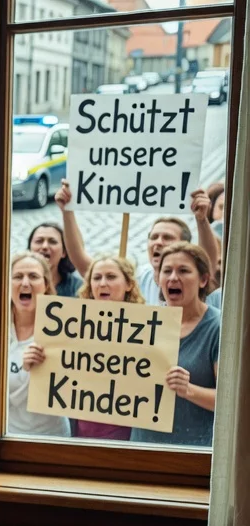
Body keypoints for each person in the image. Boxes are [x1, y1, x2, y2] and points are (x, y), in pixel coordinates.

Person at [56, 180, 220, 304]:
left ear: (184, 246)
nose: (158, 242)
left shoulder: (191, 279)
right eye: (153, 237)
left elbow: (207, 261)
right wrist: (67, 211)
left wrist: (202, 220)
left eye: (167, 237)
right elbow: (82, 261)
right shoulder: (139, 277)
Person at [129, 242, 220, 447]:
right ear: (158, 278)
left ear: (203, 280)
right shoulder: (141, 324)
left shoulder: (218, 328)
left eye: (183, 271)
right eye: (167, 271)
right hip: (141, 447)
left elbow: (229, 400)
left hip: (192, 452)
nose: (173, 278)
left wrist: (188, 390)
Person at [67, 255, 145, 441]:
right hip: (82, 430)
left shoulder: (146, 329)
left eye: (111, 277)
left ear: (129, 284)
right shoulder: (72, 326)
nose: (102, 283)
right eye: (96, 278)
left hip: (128, 433)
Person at [9, 252, 72, 438]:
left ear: (46, 285)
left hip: (52, 437)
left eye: (33, 276)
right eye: (18, 276)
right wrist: (26, 369)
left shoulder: (64, 330)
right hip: (7, 437)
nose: (25, 283)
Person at [27, 222, 83, 297]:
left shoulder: (77, 287)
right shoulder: (16, 282)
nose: (45, 246)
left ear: (64, 252)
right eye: (39, 241)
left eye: (52, 242)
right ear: (29, 249)